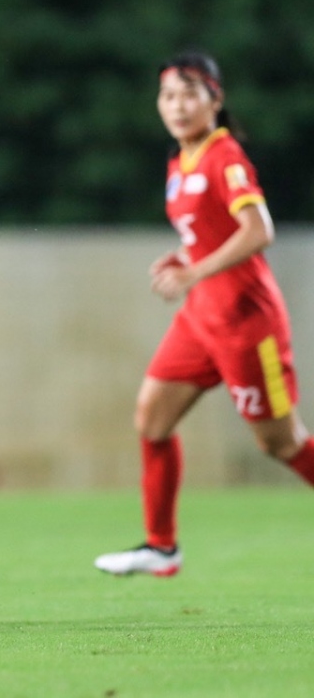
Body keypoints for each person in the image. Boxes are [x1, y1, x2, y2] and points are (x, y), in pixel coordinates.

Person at [95, 52, 314, 577]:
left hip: (245, 323)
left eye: (189, 94)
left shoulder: (223, 155)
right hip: (202, 319)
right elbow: (211, 232)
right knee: (152, 417)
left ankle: (162, 546)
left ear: (215, 99)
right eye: (168, 95)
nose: (177, 105)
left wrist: (193, 273)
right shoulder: (180, 160)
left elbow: (259, 230)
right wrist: (187, 258)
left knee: (280, 443)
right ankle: (161, 548)